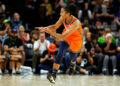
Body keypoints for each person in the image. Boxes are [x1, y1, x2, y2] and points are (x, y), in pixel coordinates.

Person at [36, 4, 84, 83]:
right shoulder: (62, 18)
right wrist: (45, 28)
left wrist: (49, 32)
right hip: (67, 35)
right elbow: (55, 26)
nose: (60, 14)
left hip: (77, 39)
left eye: (62, 12)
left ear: (68, 13)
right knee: (60, 53)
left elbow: (62, 36)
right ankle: (54, 75)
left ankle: (73, 65)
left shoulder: (76, 23)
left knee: (72, 56)